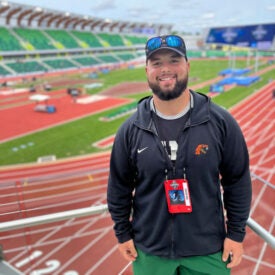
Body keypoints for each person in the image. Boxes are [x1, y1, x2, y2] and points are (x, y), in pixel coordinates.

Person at [107, 34, 252, 275]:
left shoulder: (220, 121)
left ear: (187, 65)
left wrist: (236, 234)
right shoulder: (130, 130)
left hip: (209, 251)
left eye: (174, 60)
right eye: (156, 63)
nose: (165, 69)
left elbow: (237, 180)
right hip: (150, 252)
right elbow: (119, 186)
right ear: (147, 70)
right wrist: (122, 233)